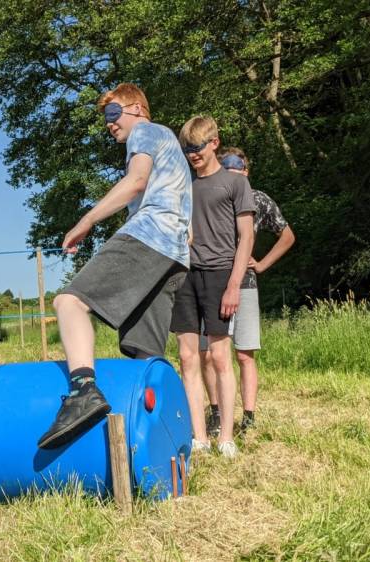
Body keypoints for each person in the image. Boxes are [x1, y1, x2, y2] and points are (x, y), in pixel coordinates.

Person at [38, 83, 192, 449]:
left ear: (137, 107)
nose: (109, 123)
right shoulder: (171, 146)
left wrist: (86, 221)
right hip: (174, 255)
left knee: (69, 302)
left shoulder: (145, 131)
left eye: (113, 112)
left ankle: (83, 392)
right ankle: (161, 443)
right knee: (145, 355)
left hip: (149, 236)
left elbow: (136, 182)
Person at [170, 117, 255, 458]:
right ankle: (200, 438)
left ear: (214, 143)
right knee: (187, 357)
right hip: (185, 275)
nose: (192, 154)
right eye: (187, 149)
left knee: (220, 357)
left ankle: (227, 438)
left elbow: (246, 238)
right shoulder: (183, 185)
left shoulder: (235, 183)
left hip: (220, 274)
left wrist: (234, 285)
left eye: (197, 147)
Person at [202, 147, 295, 438]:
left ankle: (249, 419)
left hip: (245, 284)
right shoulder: (210, 195)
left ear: (246, 171)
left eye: (238, 169)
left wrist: (262, 264)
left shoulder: (258, 199)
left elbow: (287, 235)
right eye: (228, 169)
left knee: (244, 355)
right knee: (210, 355)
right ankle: (217, 414)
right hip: (211, 281)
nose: (234, 174)